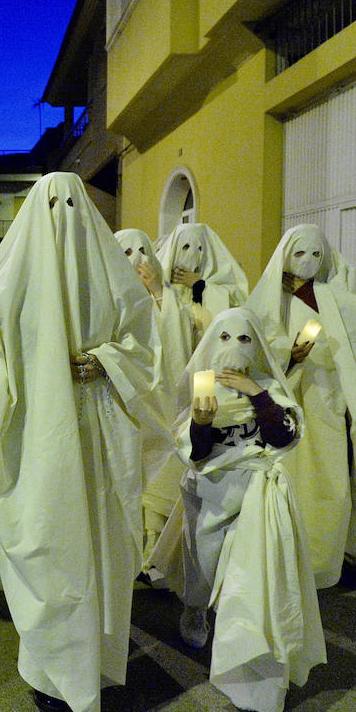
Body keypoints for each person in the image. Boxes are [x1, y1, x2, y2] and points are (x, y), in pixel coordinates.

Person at [0, 172, 156, 712]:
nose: (63, 217)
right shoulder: (10, 285)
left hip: (98, 431)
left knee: (101, 545)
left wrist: (104, 361)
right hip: (37, 434)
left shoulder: (113, 278)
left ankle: (95, 660)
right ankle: (48, 670)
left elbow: (144, 343)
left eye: (73, 204)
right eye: (53, 205)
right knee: (50, 546)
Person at [151, 308, 324, 712]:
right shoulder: (203, 384)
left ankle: (242, 648)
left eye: (245, 339)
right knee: (205, 567)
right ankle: (195, 609)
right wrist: (201, 423)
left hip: (255, 496)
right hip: (209, 495)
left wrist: (255, 392)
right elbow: (195, 453)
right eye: (224, 337)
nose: (234, 347)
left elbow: (284, 433)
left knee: (248, 577)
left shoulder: (265, 385)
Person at [246, 224, 356, 587]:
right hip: (287, 404)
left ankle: (322, 563)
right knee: (291, 484)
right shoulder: (271, 298)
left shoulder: (335, 295)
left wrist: (310, 294)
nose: (307, 262)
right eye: (299, 254)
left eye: (315, 254)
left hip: (325, 403)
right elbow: (255, 346)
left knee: (330, 487)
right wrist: (287, 357)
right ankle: (284, 559)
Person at [116, 228, 195, 561]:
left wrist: (159, 293)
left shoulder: (166, 298)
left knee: (159, 468)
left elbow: (177, 340)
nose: (137, 260)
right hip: (123, 399)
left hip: (158, 399)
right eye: (126, 253)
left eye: (143, 251)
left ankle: (155, 544)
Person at [155, 223, 249, 338]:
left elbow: (236, 308)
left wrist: (200, 286)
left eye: (199, 249)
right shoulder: (159, 282)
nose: (192, 254)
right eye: (185, 247)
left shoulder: (220, 281)